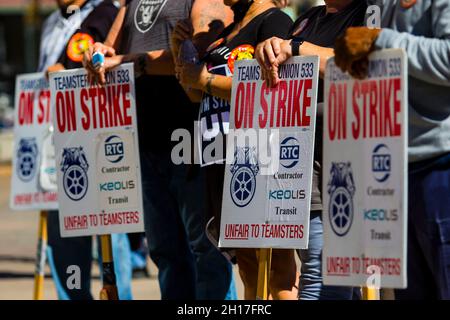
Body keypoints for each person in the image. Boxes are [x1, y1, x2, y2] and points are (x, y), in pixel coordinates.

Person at [83, 0, 237, 300]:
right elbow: (110, 51)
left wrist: (129, 61)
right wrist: (97, 53)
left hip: (190, 136)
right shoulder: (131, 3)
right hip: (145, 138)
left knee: (206, 249)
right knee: (165, 251)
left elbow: (199, 58)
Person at [175, 0, 297, 300]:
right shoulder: (229, 30)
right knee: (247, 263)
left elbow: (272, 88)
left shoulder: (275, 21)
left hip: (258, 156)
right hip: (220, 156)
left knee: (277, 265)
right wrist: (180, 48)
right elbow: (194, 92)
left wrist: (205, 79)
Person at [334, 0, 450, 300]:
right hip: (397, 167)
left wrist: (379, 40)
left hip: (441, 167)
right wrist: (366, 63)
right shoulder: (385, 3)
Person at [255, 0, 369, 299]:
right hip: (297, 164)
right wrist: (267, 49)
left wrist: (295, 48)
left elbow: (362, 64)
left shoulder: (367, 11)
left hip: (343, 166)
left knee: (320, 278)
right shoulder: (308, 19)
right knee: (331, 277)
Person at [39, 0, 133, 300]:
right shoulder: (51, 23)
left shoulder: (105, 12)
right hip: (59, 137)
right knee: (64, 236)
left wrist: (64, 71)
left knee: (111, 231)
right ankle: (74, 296)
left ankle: (119, 296)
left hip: (99, 137)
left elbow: (107, 64)